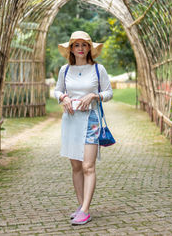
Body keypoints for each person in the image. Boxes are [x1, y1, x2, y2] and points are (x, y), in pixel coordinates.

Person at [54, 31, 113, 225]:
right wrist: (64, 98)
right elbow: (58, 90)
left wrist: (95, 96)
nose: (80, 48)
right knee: (76, 166)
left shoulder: (98, 69)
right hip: (71, 120)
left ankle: (86, 210)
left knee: (88, 165)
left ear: (89, 48)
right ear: (71, 48)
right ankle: (81, 206)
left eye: (84, 45)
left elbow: (108, 92)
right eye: (76, 45)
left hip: (91, 120)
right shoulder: (65, 70)